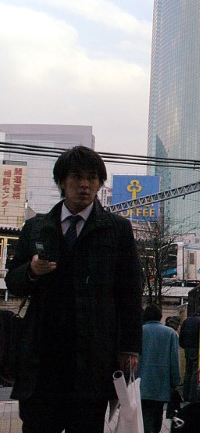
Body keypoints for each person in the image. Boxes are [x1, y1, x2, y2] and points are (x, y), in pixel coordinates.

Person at [6, 145, 142, 432]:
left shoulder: (116, 229)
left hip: (92, 355)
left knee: (86, 424)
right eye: (77, 177)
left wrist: (130, 347)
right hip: (43, 355)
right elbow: (13, 281)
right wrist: (31, 271)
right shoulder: (37, 227)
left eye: (92, 178)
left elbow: (130, 292)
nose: (85, 185)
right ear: (61, 182)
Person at [140, 305, 181, 433]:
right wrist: (175, 381)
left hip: (140, 383)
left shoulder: (139, 331)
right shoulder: (170, 333)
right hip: (161, 384)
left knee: (143, 416)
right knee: (157, 416)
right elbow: (174, 360)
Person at [178, 310, 200, 401]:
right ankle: (193, 396)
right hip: (197, 349)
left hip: (187, 349)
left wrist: (185, 346)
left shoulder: (186, 321)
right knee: (195, 372)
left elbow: (181, 338)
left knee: (188, 372)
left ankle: (185, 394)